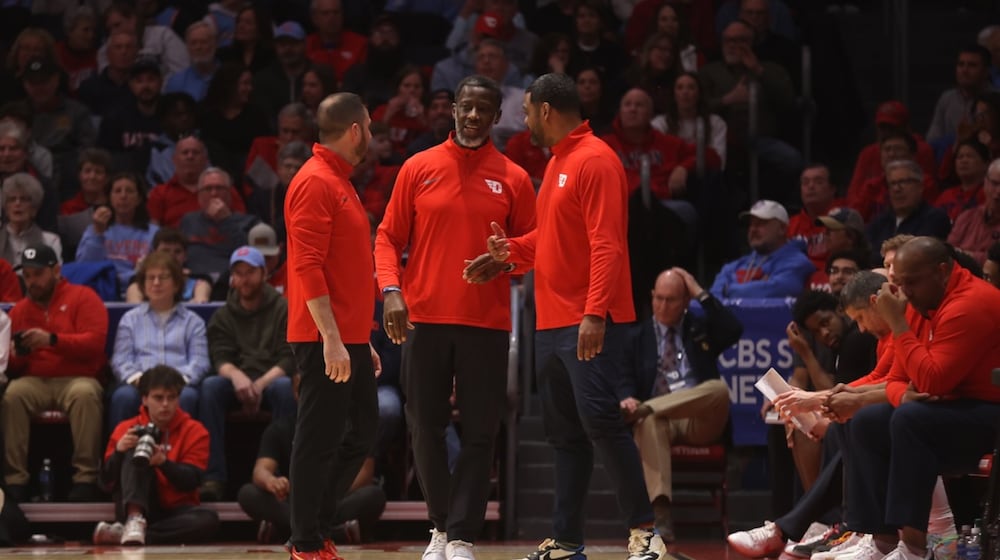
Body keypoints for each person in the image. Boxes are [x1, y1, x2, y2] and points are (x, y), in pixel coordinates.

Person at [464, 72, 666, 560]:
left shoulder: (595, 159)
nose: (525, 120)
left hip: (585, 320)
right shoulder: (559, 162)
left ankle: (644, 530)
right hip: (552, 322)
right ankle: (567, 540)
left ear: (548, 111)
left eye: (528, 110)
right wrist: (508, 252)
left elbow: (607, 246)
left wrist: (594, 313)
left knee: (601, 423)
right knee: (566, 437)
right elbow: (551, 243)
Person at [374, 74, 535, 560]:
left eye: (482, 109)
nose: (471, 116)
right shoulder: (418, 167)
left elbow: (535, 246)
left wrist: (506, 256)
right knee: (423, 425)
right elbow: (386, 238)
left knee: (481, 431)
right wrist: (391, 291)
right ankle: (441, 527)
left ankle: (462, 535)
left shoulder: (514, 177)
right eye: (465, 106)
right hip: (423, 317)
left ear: (495, 116)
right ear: (452, 109)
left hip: (486, 324)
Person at [841, 237, 1000, 560]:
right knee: (868, 421)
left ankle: (914, 549)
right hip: (952, 407)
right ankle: (882, 541)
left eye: (911, 282)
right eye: (899, 283)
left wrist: (898, 322)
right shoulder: (921, 300)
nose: (905, 291)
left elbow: (932, 381)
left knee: (911, 420)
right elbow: (900, 379)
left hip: (991, 412)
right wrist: (896, 395)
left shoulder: (970, 303)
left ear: (942, 271)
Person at [284, 92, 380, 560]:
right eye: (371, 128)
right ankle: (305, 541)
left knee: (363, 431)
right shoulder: (315, 182)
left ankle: (316, 524)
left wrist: (359, 337)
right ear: (356, 129)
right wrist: (333, 340)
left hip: (349, 336)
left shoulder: (339, 180)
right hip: (323, 337)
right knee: (317, 440)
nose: (373, 137)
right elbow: (307, 267)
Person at [620, 267, 742, 543]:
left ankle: (650, 407)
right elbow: (623, 378)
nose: (663, 306)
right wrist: (626, 396)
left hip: (697, 418)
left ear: (686, 302)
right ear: (651, 297)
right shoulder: (636, 338)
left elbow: (734, 329)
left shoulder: (699, 329)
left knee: (719, 389)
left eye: (672, 299)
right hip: (660, 425)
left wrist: (699, 291)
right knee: (648, 420)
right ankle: (660, 514)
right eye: (659, 298)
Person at [2, 244, 107, 503]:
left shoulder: (83, 297)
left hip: (78, 377)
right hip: (34, 380)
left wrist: (52, 340)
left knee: (85, 394)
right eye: (27, 275)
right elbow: (10, 366)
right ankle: (16, 480)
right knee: (13, 394)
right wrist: (19, 355)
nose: (32, 281)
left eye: (38, 274)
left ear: (56, 271)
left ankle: (86, 478)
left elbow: (95, 344)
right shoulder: (20, 310)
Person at [236, 372, 387, 545]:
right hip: (294, 500)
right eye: (309, 391)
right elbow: (260, 470)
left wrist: (328, 490)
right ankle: (332, 532)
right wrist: (272, 481)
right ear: (296, 392)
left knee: (373, 495)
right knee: (248, 493)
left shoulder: (351, 426)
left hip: (334, 498)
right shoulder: (280, 428)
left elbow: (365, 473)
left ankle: (291, 530)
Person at [199, 246, 297, 501]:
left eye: (250, 272)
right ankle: (213, 478)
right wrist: (237, 376)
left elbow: (290, 357)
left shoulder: (283, 308)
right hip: (237, 380)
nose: (244, 279)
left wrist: (261, 383)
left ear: (264, 273)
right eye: (238, 273)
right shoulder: (223, 314)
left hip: (273, 379)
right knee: (210, 387)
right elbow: (219, 357)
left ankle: (287, 476)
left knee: (285, 388)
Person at [93, 365, 219, 546]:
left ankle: (133, 534)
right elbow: (105, 483)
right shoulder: (125, 429)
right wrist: (119, 453)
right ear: (144, 399)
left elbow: (193, 481)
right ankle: (134, 519)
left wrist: (163, 463)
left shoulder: (195, 431)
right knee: (132, 450)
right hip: (136, 504)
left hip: (175, 510)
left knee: (209, 519)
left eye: (172, 398)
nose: (165, 404)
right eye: (158, 398)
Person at [108, 250, 209, 430]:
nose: (156, 283)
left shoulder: (193, 322)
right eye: (150, 278)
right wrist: (141, 381)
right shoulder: (130, 319)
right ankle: (120, 456)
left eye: (163, 277)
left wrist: (176, 384)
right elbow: (120, 361)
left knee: (187, 397)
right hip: (139, 385)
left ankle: (183, 455)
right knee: (123, 397)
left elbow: (200, 362)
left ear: (177, 284)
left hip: (179, 386)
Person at [710, 199, 815, 299]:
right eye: (751, 224)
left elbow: (777, 290)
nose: (753, 229)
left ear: (782, 229)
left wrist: (728, 290)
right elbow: (714, 297)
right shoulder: (734, 266)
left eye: (761, 223)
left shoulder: (797, 263)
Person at [76, 172, 159, 291]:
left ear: (139, 198)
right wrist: (98, 234)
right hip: (103, 290)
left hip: (142, 289)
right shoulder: (94, 229)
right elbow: (84, 268)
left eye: (129, 191)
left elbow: (161, 267)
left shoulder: (153, 233)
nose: (123, 196)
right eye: (117, 191)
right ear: (109, 198)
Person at [178, 167, 258, 279]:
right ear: (199, 195)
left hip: (233, 282)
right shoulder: (188, 221)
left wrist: (226, 221)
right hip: (194, 281)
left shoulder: (249, 222)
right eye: (208, 188)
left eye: (219, 188)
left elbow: (252, 258)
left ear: (230, 193)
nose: (214, 193)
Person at [866, 160, 951, 262]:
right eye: (893, 183)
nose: (897, 189)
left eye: (903, 182)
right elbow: (867, 255)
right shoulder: (879, 221)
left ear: (920, 186)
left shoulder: (935, 218)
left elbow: (917, 255)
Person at [926, 45, 994, 150]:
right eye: (961, 64)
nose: (964, 70)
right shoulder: (947, 99)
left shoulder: (996, 99)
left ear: (986, 71)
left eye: (972, 65)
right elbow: (933, 140)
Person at [0, 173, 62, 269]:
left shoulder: (50, 241)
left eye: (24, 199)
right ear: (6, 209)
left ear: (34, 208)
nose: (17, 203)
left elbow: (55, 276)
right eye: (12, 199)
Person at [948, 158, 1000, 265]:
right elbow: (948, 252)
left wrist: (963, 254)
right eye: (995, 183)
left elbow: (995, 262)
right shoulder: (967, 216)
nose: (998, 191)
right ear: (985, 183)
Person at [304, 0, 367, 83]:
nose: (332, 18)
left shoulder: (360, 44)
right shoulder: (305, 44)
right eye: (325, 13)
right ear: (314, 18)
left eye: (336, 12)